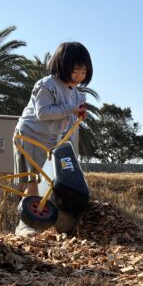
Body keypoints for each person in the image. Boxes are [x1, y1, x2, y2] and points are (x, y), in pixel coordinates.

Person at [13, 42, 92, 235]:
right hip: (30, 134)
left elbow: (69, 119)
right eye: (75, 72)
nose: (79, 77)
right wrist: (70, 110)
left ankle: (34, 221)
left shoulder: (76, 94)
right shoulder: (46, 85)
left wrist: (78, 115)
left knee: (43, 181)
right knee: (33, 180)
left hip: (50, 139)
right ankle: (27, 226)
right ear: (62, 66)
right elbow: (43, 113)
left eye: (84, 73)